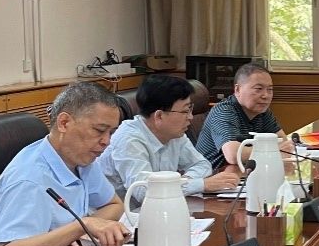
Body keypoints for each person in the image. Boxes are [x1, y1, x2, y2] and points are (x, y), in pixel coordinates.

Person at [0, 82, 127, 246]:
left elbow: (114, 205)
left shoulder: (81, 159)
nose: (106, 142)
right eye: (99, 130)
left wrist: (76, 231)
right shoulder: (29, 180)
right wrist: (80, 226)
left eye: (111, 132)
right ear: (64, 123)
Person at [100, 74, 242, 197]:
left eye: (191, 109)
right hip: (123, 216)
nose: (190, 117)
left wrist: (184, 182)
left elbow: (202, 164)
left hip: (163, 209)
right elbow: (143, 192)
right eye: (185, 111)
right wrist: (200, 184)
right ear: (159, 116)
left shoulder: (174, 133)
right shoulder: (129, 139)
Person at [195, 62, 286, 168]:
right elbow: (233, 155)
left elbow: (282, 141)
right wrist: (273, 150)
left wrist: (276, 149)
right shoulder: (223, 111)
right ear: (237, 90)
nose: (266, 95)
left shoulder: (262, 111)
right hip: (213, 174)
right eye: (258, 89)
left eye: (270, 89)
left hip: (242, 170)